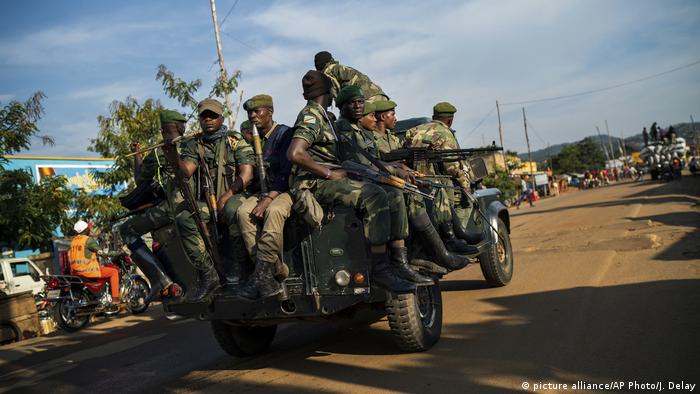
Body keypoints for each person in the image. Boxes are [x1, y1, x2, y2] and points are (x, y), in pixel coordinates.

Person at [286, 70, 416, 293]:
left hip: (329, 177)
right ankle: (379, 269)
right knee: (374, 195)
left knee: (393, 194)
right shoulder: (311, 116)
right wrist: (327, 173)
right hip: (314, 183)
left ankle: (397, 260)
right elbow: (295, 153)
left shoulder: (326, 117)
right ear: (329, 92)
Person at [334, 85, 470, 272]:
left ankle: (442, 244)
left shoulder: (359, 131)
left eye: (360, 103)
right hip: (365, 182)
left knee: (427, 189)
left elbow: (377, 161)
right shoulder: (346, 130)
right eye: (370, 114)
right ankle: (425, 254)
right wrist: (396, 170)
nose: (371, 116)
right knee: (408, 195)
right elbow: (362, 164)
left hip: (374, 177)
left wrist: (404, 166)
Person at [162, 98, 255, 301]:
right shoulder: (195, 144)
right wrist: (171, 155)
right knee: (185, 217)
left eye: (213, 116)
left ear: (222, 118)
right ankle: (208, 274)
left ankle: (242, 271)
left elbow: (247, 174)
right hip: (209, 204)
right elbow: (187, 170)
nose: (208, 120)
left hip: (237, 196)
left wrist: (227, 195)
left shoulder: (234, 140)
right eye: (204, 116)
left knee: (232, 210)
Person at [119, 110, 189, 303]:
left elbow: (141, 179)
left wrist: (138, 156)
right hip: (198, 204)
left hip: (172, 208)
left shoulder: (158, 152)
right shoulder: (195, 143)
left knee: (126, 229)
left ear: (162, 130)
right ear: (181, 127)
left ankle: (161, 280)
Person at [235, 95, 295, 300]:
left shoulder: (285, 134)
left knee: (274, 211)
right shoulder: (252, 139)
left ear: (270, 112)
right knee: (243, 212)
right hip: (261, 190)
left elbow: (287, 173)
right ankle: (270, 270)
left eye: (257, 111)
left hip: (284, 190)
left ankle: (262, 273)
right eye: (250, 113)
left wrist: (269, 198)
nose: (253, 116)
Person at [403, 102, 482, 249]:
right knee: (461, 199)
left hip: (412, 180)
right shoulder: (446, 133)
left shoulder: (413, 131)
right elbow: (452, 168)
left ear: (434, 116)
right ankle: (454, 237)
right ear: (450, 120)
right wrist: (466, 187)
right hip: (435, 183)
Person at [69, 220, 121, 307]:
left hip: (76, 272)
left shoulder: (73, 241)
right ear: (85, 230)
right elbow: (102, 253)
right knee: (114, 272)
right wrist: (117, 253)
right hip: (88, 271)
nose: (90, 229)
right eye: (88, 228)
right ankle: (115, 298)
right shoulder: (88, 240)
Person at [314, 51, 388, 103]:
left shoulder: (329, 71)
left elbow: (337, 95)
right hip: (379, 95)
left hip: (367, 99)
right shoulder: (341, 68)